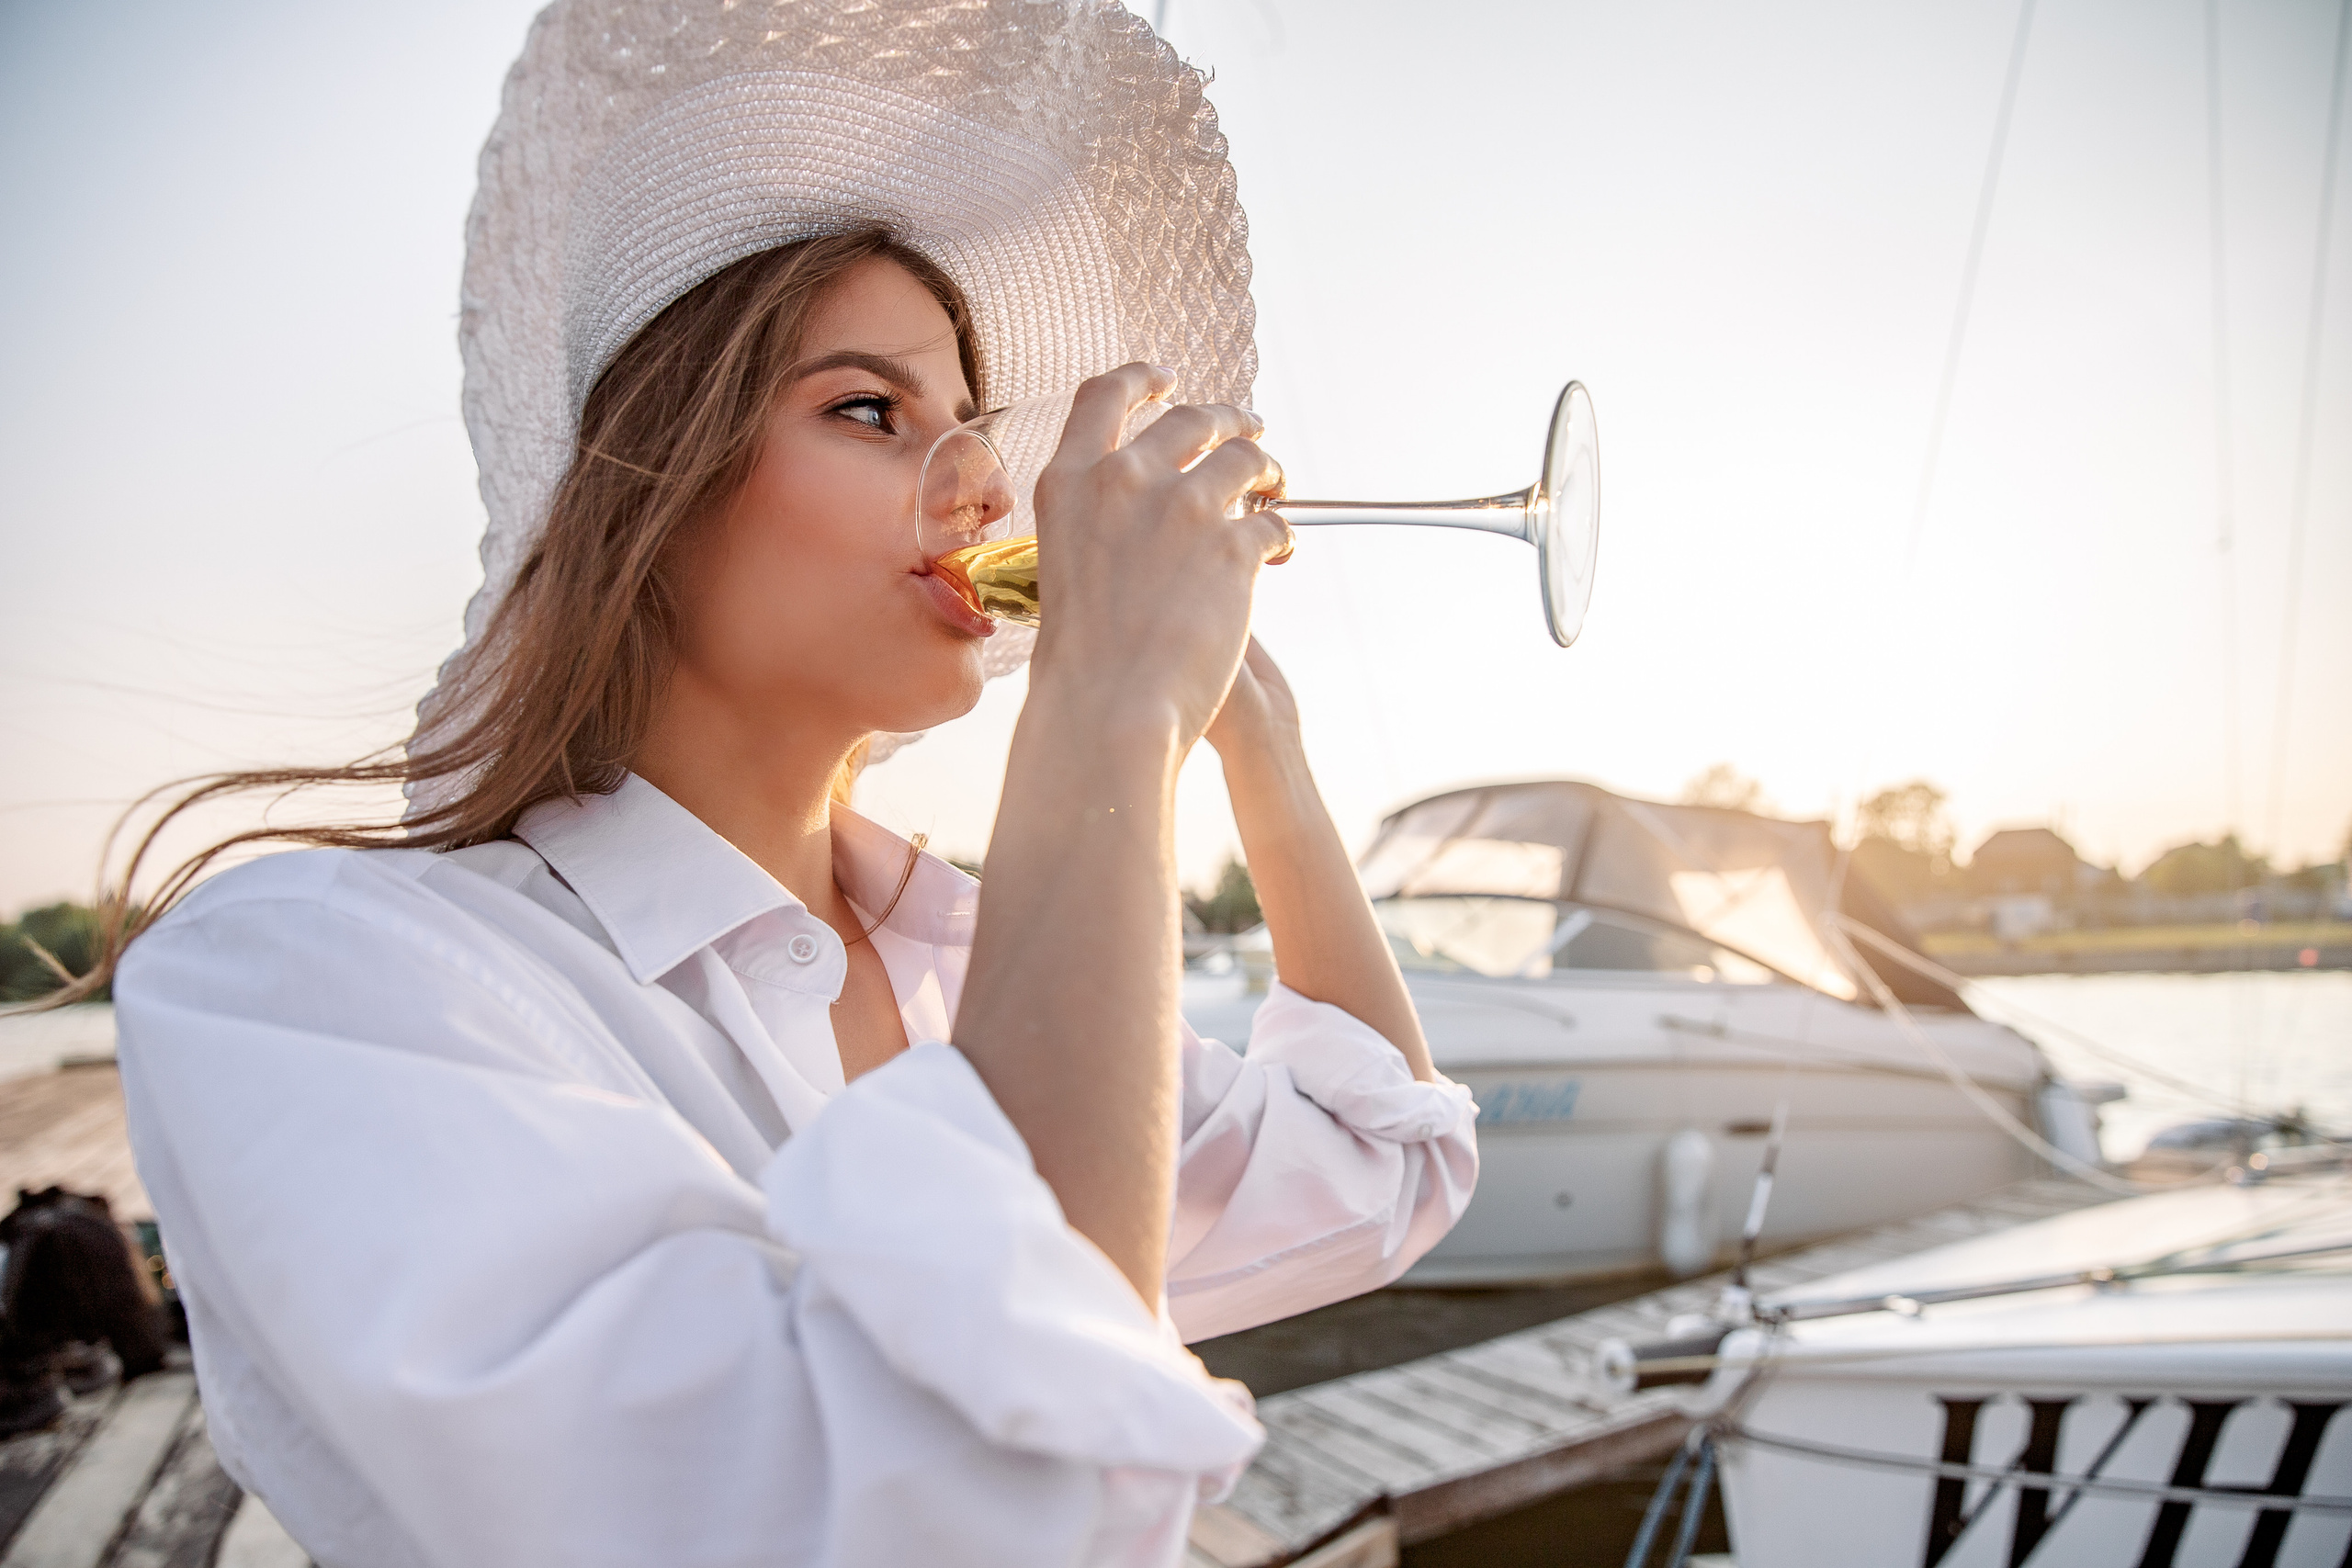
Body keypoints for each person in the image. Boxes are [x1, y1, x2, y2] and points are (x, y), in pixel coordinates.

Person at [94, 4, 1478, 1564]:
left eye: (973, 428)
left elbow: (1381, 1170)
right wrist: (1108, 714)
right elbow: (908, 1499)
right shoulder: (324, 975)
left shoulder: (965, 967)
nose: (978, 485)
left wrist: (1253, 742)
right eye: (871, 410)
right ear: (654, 492)